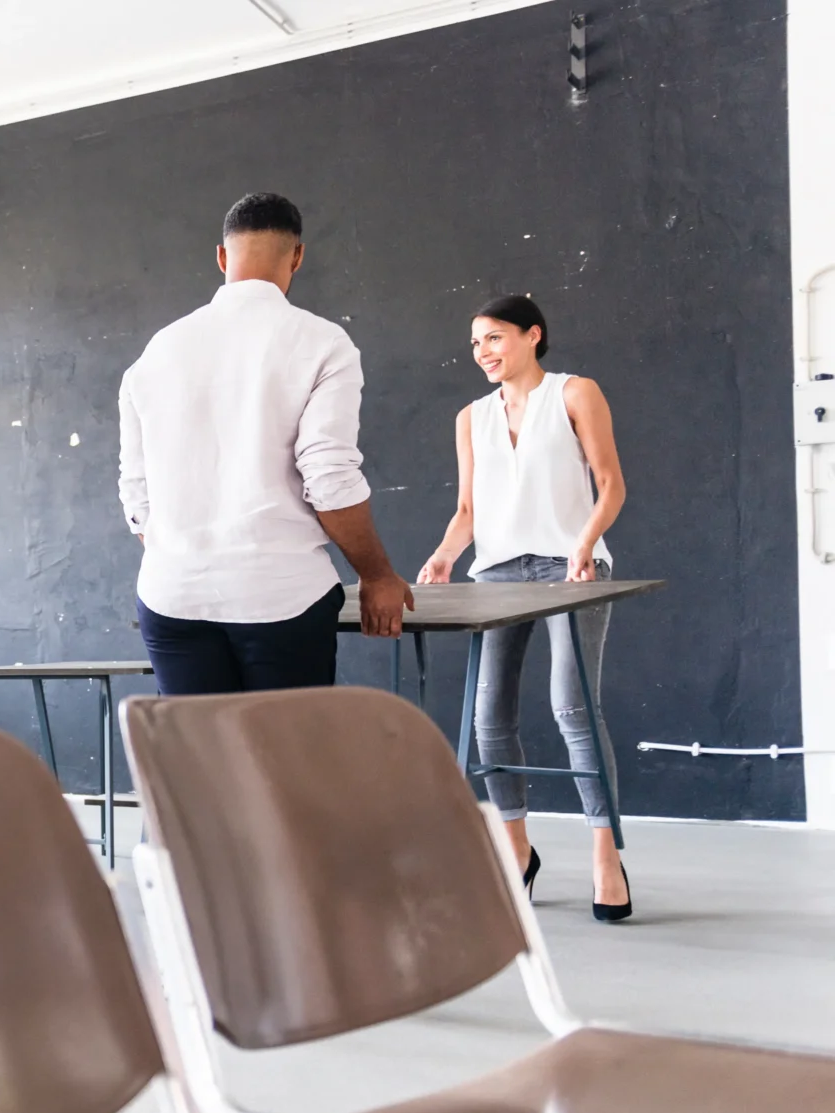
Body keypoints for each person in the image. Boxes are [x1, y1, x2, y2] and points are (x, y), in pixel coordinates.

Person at [118, 192, 414, 694]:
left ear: (221, 256)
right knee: (287, 766)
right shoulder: (321, 342)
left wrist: (193, 556)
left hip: (172, 597)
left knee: (200, 767)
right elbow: (329, 477)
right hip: (280, 598)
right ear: (297, 256)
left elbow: (136, 494)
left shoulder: (159, 350)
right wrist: (377, 576)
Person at [416, 295, 631, 921]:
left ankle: (605, 854)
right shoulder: (471, 416)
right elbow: (468, 512)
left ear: (532, 335)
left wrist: (585, 543)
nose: (483, 352)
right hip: (499, 571)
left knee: (573, 706)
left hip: (571, 564)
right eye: (476, 344)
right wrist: (443, 556)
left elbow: (610, 481)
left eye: (495, 338)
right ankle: (517, 853)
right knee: (489, 716)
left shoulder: (574, 393)